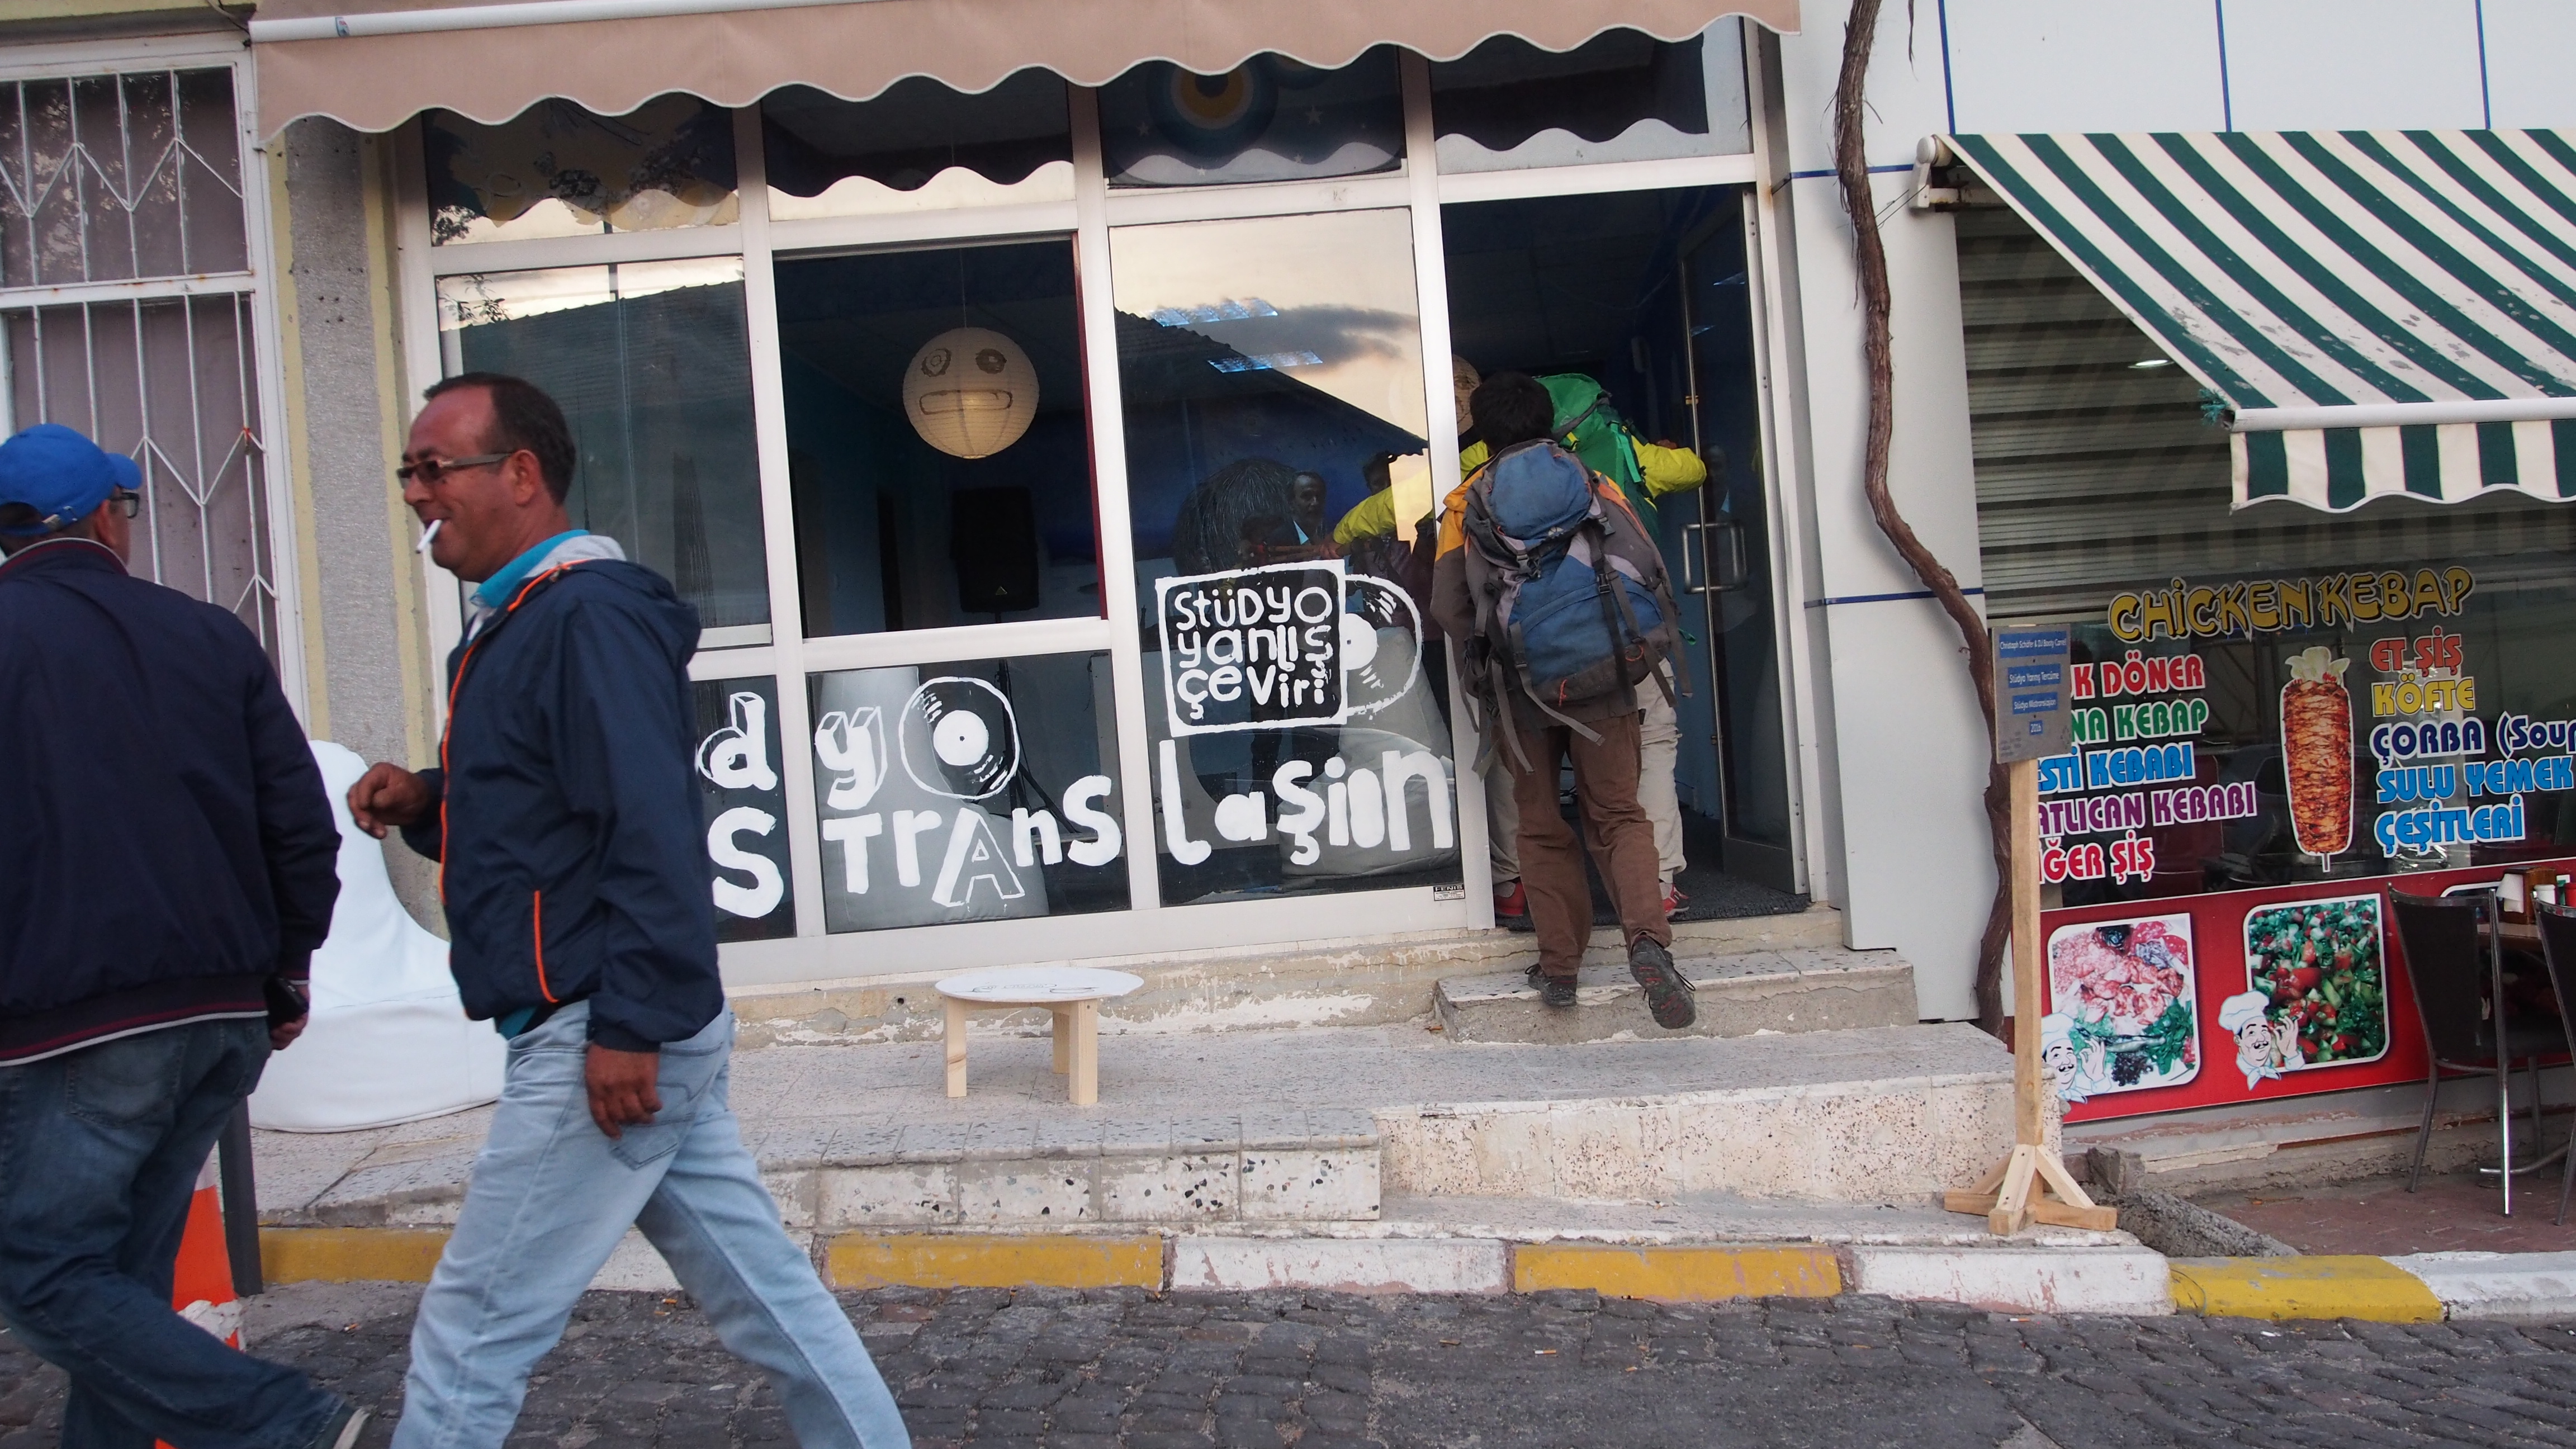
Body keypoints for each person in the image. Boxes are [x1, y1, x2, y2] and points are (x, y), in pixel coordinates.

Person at [345, 374, 910, 1449]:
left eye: (435, 468)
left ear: (520, 473)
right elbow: (548, 814)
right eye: (408, 471)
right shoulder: (522, 619)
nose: (416, 491)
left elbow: (649, 830)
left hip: (599, 1023)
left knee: (472, 1328)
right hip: (608, 1016)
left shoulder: (583, 615)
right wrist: (429, 801)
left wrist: (629, 1024)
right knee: (767, 1297)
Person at [0, 424, 362, 1449]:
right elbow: (299, 827)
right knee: (119, 1285)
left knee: (46, 1276)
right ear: (103, 519)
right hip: (218, 1014)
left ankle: (284, 1420)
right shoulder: (209, 635)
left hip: (69, 1026)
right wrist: (287, 973)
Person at [1432, 373, 1690, 1027]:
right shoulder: (1593, 483)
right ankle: (1648, 944)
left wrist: (1495, 662)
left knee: (1542, 827)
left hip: (1522, 690)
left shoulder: (1464, 503)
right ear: (1549, 420)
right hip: (1604, 674)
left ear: (1481, 433)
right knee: (1619, 814)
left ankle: (1560, 968)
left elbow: (1449, 609)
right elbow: (1647, 567)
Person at [1462, 376, 1711, 925]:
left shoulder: (1472, 484)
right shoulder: (1611, 467)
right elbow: (1689, 479)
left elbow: (1449, 595)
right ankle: (1656, 891)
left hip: (1527, 666)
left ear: (1483, 429)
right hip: (1621, 650)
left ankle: (1513, 886)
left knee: (1517, 774)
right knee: (1647, 758)